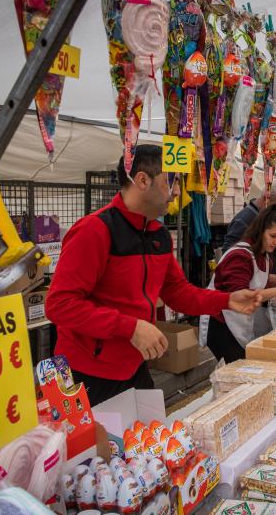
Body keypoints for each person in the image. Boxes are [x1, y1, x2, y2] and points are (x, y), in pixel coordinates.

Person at [45, 146, 261, 406]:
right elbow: (59, 305)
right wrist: (131, 327)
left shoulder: (158, 235)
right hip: (88, 374)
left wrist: (226, 301)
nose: (178, 192)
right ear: (143, 180)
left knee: (146, 443)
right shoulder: (95, 231)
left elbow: (178, 292)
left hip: (134, 367)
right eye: (172, 182)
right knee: (99, 447)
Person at [202, 205, 276, 363]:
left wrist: (270, 280)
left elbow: (251, 278)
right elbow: (241, 295)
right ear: (260, 231)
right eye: (273, 236)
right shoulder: (239, 255)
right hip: (221, 324)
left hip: (240, 321)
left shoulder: (264, 255)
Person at [222, 182, 276, 286]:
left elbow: (265, 253)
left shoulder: (266, 218)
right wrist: (267, 278)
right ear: (267, 198)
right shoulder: (243, 221)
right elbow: (229, 258)